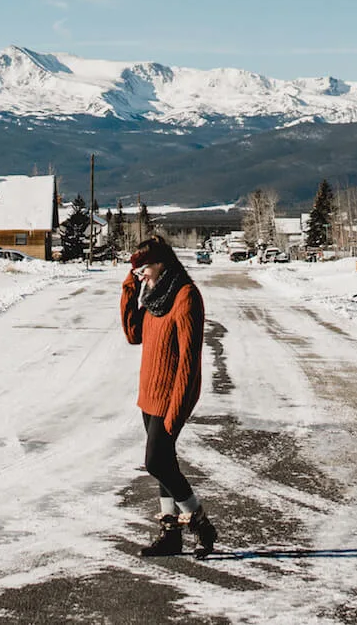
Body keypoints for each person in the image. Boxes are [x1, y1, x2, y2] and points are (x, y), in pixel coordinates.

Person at [120, 235, 218, 558]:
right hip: (149, 396)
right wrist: (130, 288)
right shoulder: (153, 294)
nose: (142, 275)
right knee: (165, 465)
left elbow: (189, 364)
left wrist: (177, 411)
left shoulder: (186, 297)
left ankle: (200, 523)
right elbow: (134, 334)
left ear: (162, 263)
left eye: (145, 269)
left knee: (156, 461)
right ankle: (170, 534)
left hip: (170, 400)